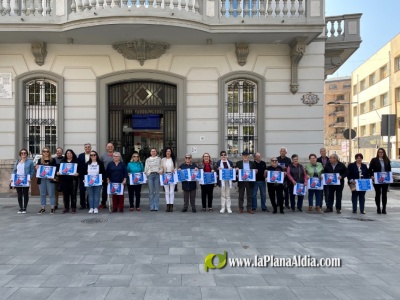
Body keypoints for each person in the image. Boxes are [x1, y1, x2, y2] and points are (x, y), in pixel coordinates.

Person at [100, 143, 123, 209]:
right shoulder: (103, 155)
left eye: (111, 146)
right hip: (106, 175)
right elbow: (101, 164)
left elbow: (121, 163)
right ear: (106, 148)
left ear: (113, 147)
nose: (110, 148)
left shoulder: (117, 154)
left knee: (116, 189)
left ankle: (117, 203)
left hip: (116, 175)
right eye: (108, 147)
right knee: (105, 190)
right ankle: (103, 203)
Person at [11, 148, 34, 213]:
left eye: (25, 153)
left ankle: (25, 208)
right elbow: (14, 170)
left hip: (25, 180)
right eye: (22, 153)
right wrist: (12, 178)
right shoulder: (17, 162)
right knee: (19, 194)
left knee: (25, 194)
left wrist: (30, 178)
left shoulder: (30, 162)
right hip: (18, 180)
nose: (23, 154)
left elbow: (32, 171)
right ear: (20, 154)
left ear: (27, 154)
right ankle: (21, 207)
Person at [369, 148, 391, 214]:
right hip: (377, 179)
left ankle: (384, 208)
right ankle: (378, 208)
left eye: (382, 152)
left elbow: (389, 169)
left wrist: (390, 175)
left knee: (384, 194)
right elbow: (370, 169)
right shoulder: (374, 160)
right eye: (379, 152)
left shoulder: (387, 160)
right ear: (377, 153)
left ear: (384, 153)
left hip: (385, 179)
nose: (380, 153)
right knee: (378, 194)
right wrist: (372, 176)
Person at [36, 147, 57, 214]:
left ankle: (52, 208)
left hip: (50, 179)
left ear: (49, 152)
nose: (46, 153)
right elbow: (38, 170)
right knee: (42, 194)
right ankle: (43, 208)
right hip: (42, 179)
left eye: (47, 151)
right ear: (42, 152)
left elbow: (55, 169)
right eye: (44, 151)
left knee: (51, 194)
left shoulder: (52, 160)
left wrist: (53, 176)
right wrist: (37, 168)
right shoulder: (39, 160)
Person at [58, 149, 80, 214]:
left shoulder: (76, 161)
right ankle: (66, 208)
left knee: (73, 194)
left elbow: (80, 170)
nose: (69, 154)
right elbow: (59, 170)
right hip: (64, 180)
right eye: (67, 153)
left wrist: (78, 173)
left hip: (73, 181)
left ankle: (73, 208)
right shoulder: (62, 161)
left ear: (72, 154)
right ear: (66, 154)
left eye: (70, 153)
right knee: (65, 195)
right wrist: (58, 172)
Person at [160, 147, 177, 212]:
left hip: (172, 176)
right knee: (167, 192)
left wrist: (174, 170)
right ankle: (168, 205)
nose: (168, 152)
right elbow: (161, 167)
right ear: (165, 152)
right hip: (165, 176)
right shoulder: (163, 159)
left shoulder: (173, 159)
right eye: (167, 151)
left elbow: (176, 168)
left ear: (171, 152)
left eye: (169, 151)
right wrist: (161, 171)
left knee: (171, 192)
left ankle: (171, 205)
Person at [77, 143, 92, 210]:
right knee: (82, 190)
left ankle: (89, 203)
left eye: (88, 147)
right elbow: (78, 165)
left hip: (91, 175)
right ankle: (82, 204)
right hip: (82, 175)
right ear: (84, 148)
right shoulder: (80, 156)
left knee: (90, 190)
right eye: (86, 147)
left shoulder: (93, 155)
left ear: (90, 148)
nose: (87, 148)